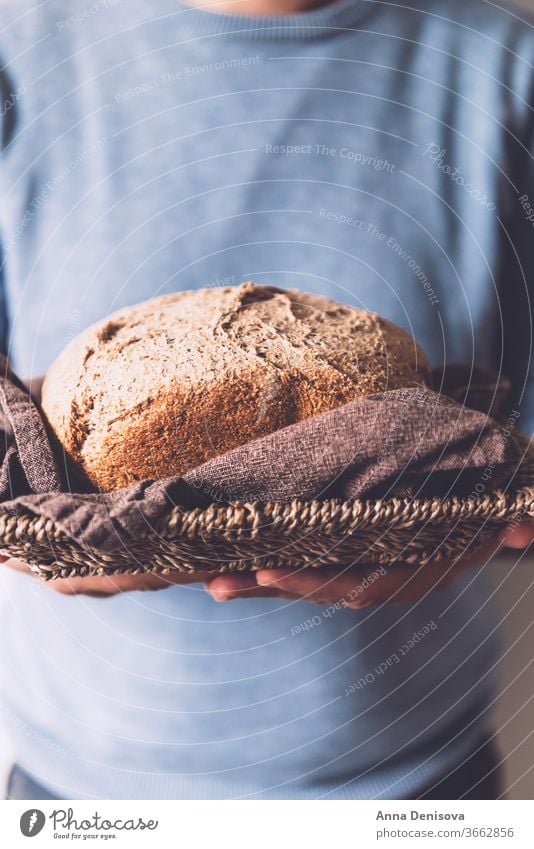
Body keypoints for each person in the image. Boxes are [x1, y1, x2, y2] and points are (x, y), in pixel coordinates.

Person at [0, 0, 533, 801]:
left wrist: (490, 525)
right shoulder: (21, 54)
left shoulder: (508, 68)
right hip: (82, 788)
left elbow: (516, 454)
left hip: (415, 780)